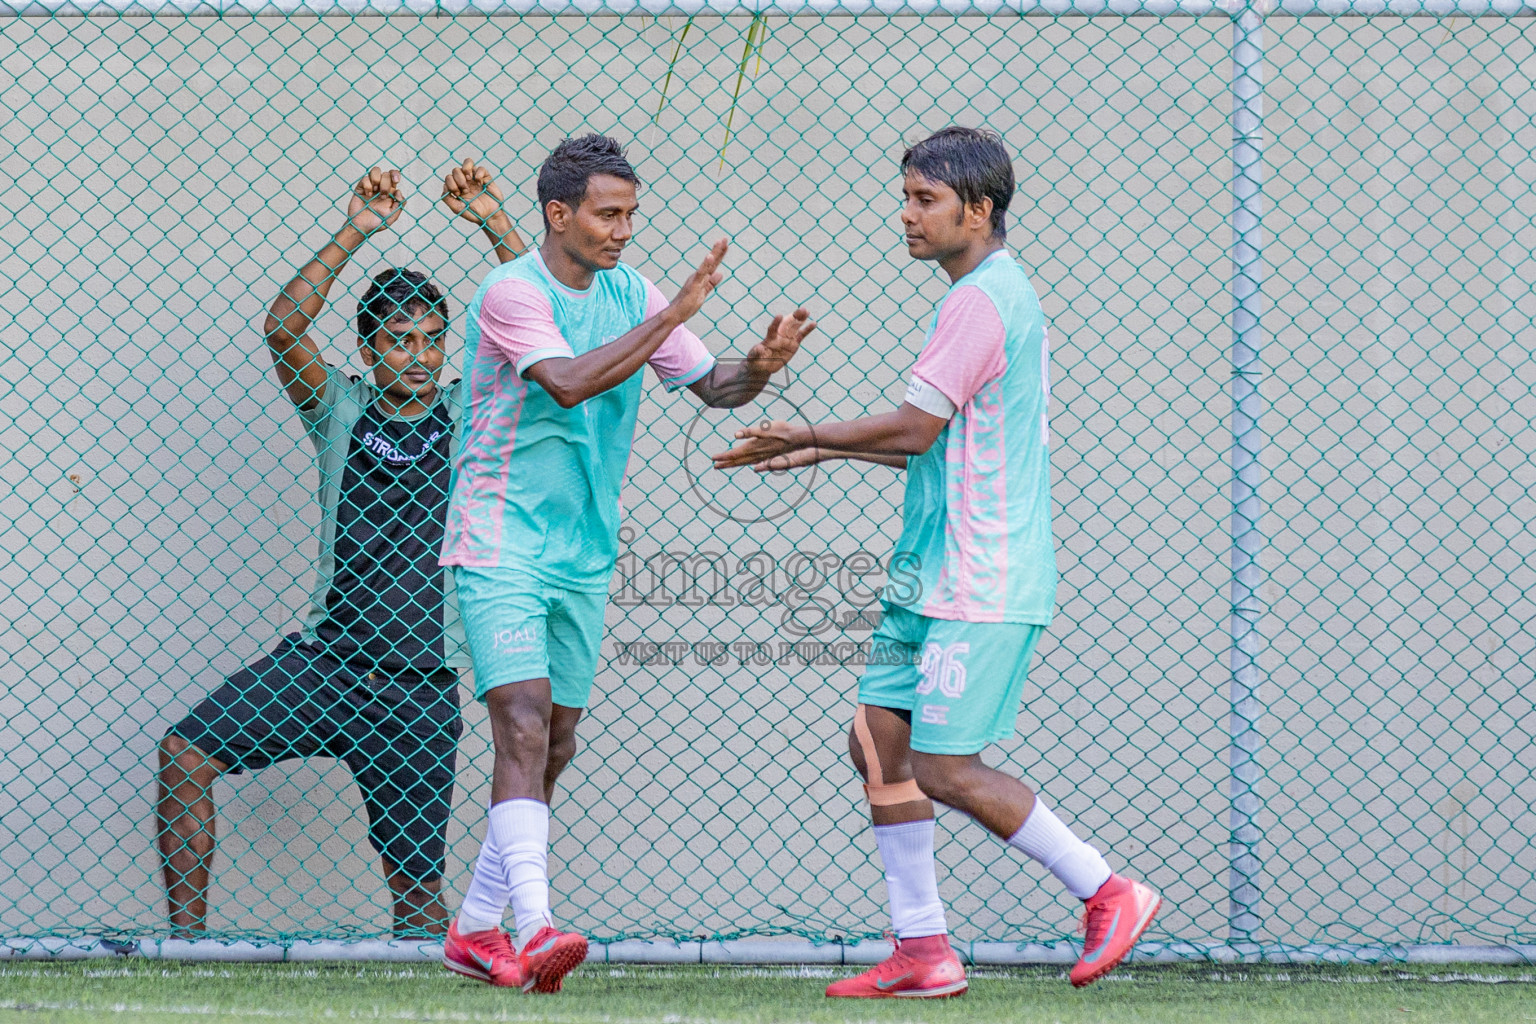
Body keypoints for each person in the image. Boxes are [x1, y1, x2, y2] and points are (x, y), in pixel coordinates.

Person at [714, 126, 1162, 997]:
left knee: (942, 767)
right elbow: (947, 441)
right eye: (907, 196)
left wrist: (811, 429)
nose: (908, 214)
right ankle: (923, 951)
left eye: (926, 200)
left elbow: (919, 427)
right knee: (878, 740)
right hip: (930, 573)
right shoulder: (976, 296)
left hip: (980, 574)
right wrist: (826, 453)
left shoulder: (984, 300)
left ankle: (1109, 891)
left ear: (979, 209)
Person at [437, 134, 816, 992]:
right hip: (499, 538)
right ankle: (533, 930)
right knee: (523, 722)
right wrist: (670, 316)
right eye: (608, 215)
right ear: (557, 213)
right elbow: (567, 382)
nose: (623, 230)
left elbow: (711, 387)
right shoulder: (511, 292)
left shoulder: (635, 295)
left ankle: (473, 928)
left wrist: (759, 364)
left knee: (556, 741)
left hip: (583, 551)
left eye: (631, 215)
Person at [155, 160, 525, 939]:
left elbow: (537, 336)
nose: (419, 357)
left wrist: (494, 221)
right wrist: (356, 229)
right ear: (368, 346)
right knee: (186, 757)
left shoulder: (468, 415)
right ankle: (184, 951)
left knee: (419, 904)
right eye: (398, 340)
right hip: (326, 664)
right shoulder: (338, 407)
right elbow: (283, 326)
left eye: (431, 340)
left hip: (421, 689)